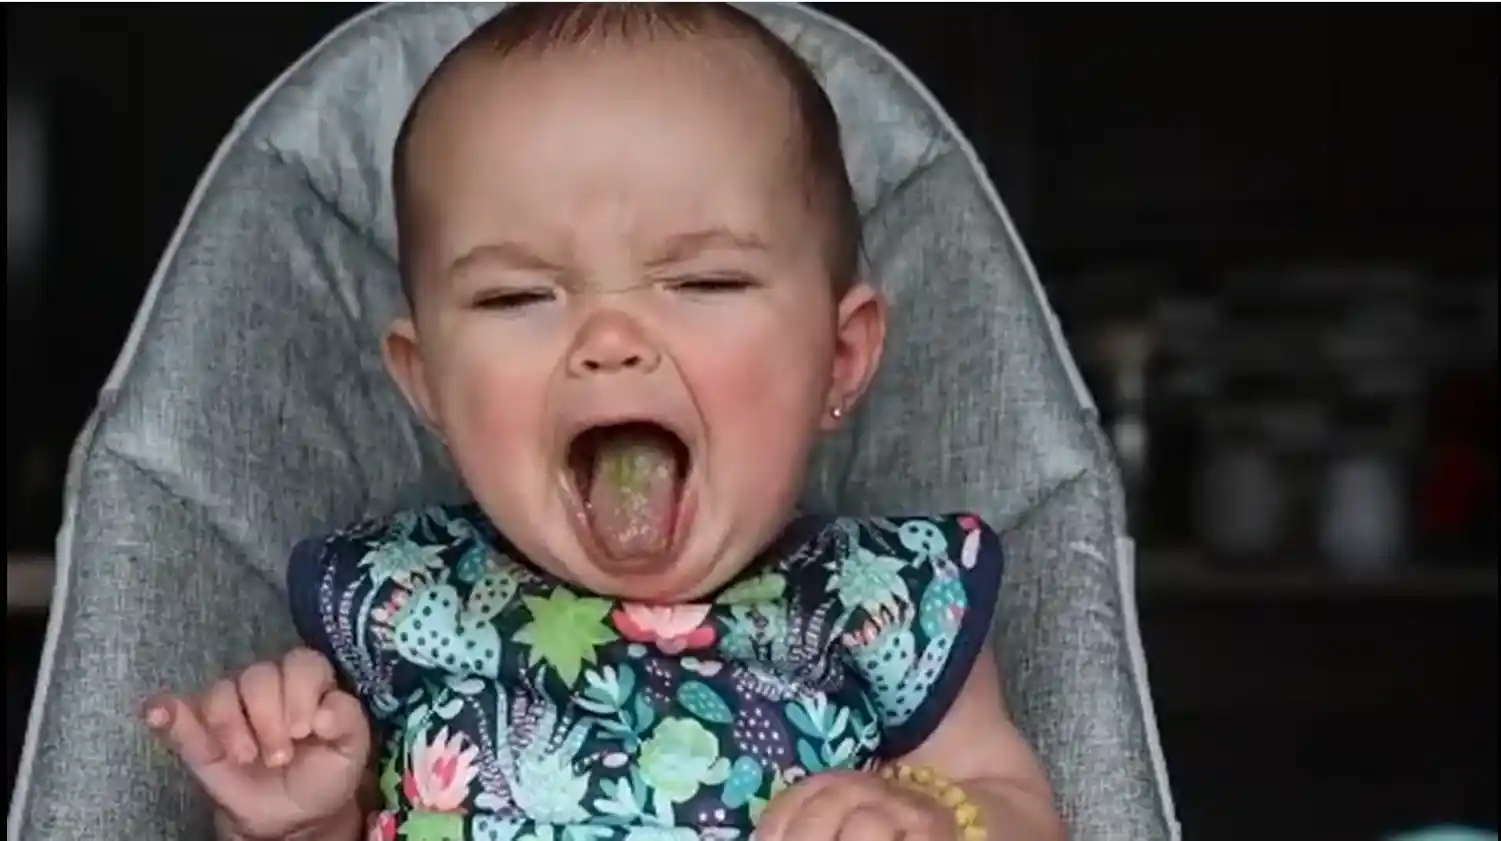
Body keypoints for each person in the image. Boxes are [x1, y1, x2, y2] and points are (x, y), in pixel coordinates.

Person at [142, 5, 1065, 840]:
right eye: (516, 295)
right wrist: (301, 822)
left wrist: (933, 819)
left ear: (840, 356)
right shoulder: (392, 610)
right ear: (427, 384)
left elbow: (1018, 805)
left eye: (704, 282)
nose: (611, 339)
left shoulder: (882, 606)